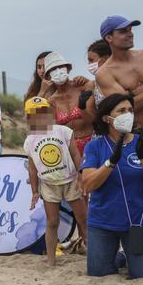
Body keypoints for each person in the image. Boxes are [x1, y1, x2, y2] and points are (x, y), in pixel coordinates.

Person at [81, 94, 143, 279]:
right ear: (107, 118)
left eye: (130, 110)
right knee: (98, 274)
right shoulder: (95, 146)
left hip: (138, 221)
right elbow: (88, 184)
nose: (127, 114)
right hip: (103, 221)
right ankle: (120, 257)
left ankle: (130, 255)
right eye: (121, 111)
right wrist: (111, 162)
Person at [24, 96, 88, 266]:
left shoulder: (63, 131)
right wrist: (35, 192)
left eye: (44, 112)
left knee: (83, 218)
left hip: (71, 180)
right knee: (52, 222)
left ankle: (94, 254)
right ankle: (51, 260)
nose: (40, 116)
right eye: (35, 114)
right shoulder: (30, 140)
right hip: (48, 184)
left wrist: (81, 176)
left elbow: (75, 154)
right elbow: (32, 168)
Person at [95, 16, 143, 135]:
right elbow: (125, 109)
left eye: (130, 30)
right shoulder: (104, 73)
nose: (130, 34)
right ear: (109, 37)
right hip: (142, 132)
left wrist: (133, 96)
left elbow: (130, 103)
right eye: (123, 31)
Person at [41, 52, 96, 154]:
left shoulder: (83, 87)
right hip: (68, 150)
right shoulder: (51, 101)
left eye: (61, 67)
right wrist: (42, 92)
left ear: (68, 69)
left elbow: (92, 118)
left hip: (91, 144)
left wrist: (82, 106)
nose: (58, 71)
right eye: (53, 69)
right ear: (48, 76)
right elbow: (38, 127)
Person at [86, 39, 112, 105]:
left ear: (105, 58)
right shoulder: (94, 86)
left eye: (91, 60)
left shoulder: (125, 79)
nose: (89, 64)